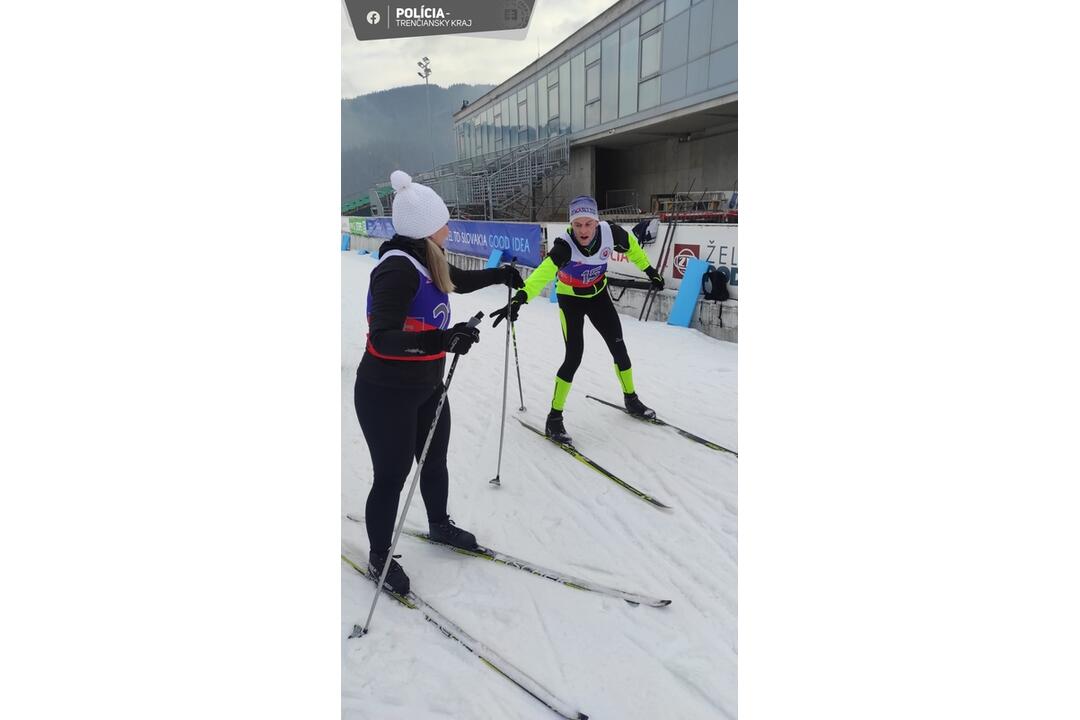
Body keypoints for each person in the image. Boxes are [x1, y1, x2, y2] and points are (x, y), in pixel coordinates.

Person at [355, 170, 524, 595]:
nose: (450, 228)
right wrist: (443, 338)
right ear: (426, 228)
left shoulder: (426, 257)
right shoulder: (397, 270)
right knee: (391, 476)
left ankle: (438, 525)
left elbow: (458, 282)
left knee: (434, 461)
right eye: (445, 223)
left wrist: (500, 275)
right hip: (386, 392)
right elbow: (383, 338)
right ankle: (379, 555)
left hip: (427, 385)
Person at [490, 195, 664, 445]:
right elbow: (542, 274)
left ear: (596, 221)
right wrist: (520, 299)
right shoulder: (564, 246)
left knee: (619, 347)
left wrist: (650, 272)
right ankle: (554, 419)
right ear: (572, 225)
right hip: (570, 300)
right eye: (578, 225)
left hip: (598, 296)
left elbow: (634, 249)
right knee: (574, 356)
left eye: (588, 224)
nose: (583, 230)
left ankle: (631, 399)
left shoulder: (612, 233)